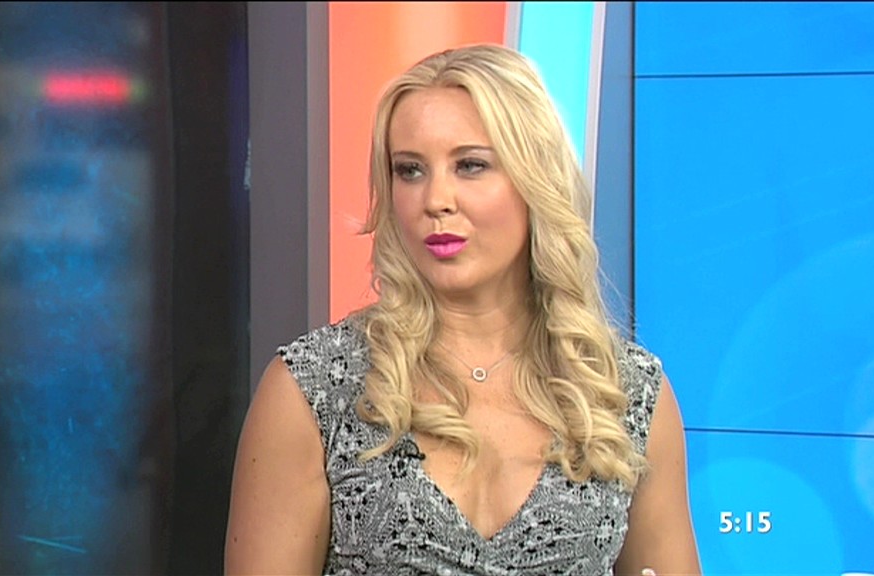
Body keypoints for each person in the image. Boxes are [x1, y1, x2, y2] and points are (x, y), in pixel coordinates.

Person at [225, 43, 701, 576]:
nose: (436, 200)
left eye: (470, 165)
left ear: (535, 179)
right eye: (410, 170)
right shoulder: (313, 389)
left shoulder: (625, 394)